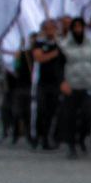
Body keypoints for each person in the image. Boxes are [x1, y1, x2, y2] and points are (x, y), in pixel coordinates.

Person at [58, 17, 91, 156]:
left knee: (88, 114)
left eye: (80, 26)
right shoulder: (64, 45)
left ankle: (82, 138)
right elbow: (59, 65)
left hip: (88, 83)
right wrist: (62, 81)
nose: (78, 29)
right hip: (72, 84)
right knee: (71, 116)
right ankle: (71, 144)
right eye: (75, 27)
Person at [31, 19, 64, 150]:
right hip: (43, 83)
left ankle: (47, 138)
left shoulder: (60, 44)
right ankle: (37, 137)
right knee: (41, 110)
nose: (51, 31)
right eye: (48, 28)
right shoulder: (39, 43)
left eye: (53, 28)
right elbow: (39, 58)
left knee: (52, 111)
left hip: (56, 83)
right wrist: (53, 54)